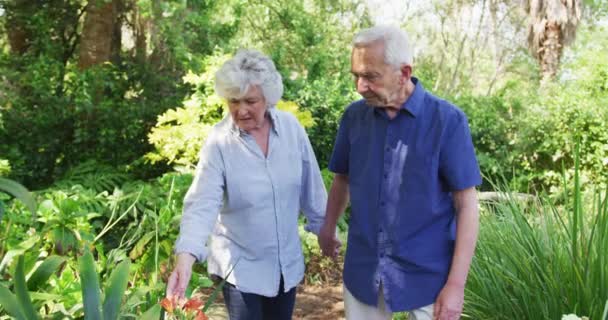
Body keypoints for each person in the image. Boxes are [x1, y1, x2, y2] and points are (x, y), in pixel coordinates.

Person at [318, 26, 481, 320]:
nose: (359, 86)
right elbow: (343, 178)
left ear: (404, 73)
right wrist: (328, 228)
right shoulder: (354, 118)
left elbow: (467, 204)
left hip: (429, 278)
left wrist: (456, 285)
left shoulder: (447, 121)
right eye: (355, 75)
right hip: (363, 272)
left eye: (370, 76)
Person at [166, 49, 327, 320]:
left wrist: (325, 230)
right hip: (240, 269)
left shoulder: (291, 129)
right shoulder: (219, 142)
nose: (241, 110)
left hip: (285, 267)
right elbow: (202, 203)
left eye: (251, 101)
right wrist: (186, 256)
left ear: (268, 98)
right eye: (234, 101)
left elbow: (312, 188)